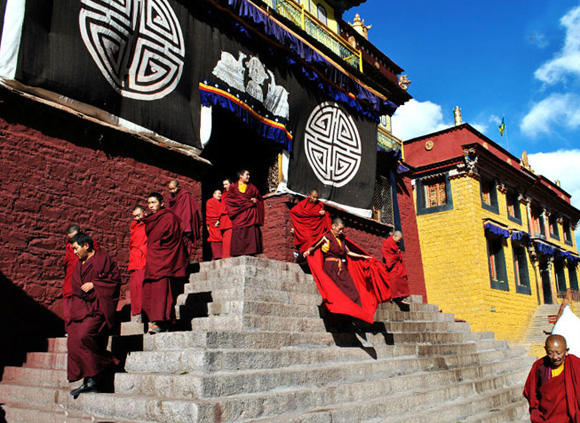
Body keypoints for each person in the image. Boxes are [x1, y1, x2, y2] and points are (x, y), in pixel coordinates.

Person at [67, 233, 120, 398]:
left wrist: (95, 284)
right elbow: (75, 285)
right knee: (74, 342)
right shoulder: (80, 264)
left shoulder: (103, 260)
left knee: (84, 337)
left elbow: (115, 280)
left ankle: (107, 362)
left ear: (86, 246)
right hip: (81, 308)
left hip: (98, 308)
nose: (75, 252)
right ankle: (89, 381)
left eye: (76, 248)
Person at [304, 217, 379, 323]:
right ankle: (336, 319)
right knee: (336, 293)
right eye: (339, 229)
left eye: (342, 229)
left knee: (352, 292)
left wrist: (363, 256)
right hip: (330, 268)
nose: (341, 232)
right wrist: (308, 251)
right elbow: (314, 247)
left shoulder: (341, 239)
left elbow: (348, 252)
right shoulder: (327, 237)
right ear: (333, 226)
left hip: (341, 268)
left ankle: (352, 315)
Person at [142, 192, 188, 334]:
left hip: (163, 259)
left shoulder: (168, 217)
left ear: (162, 203)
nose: (151, 206)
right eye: (149, 203)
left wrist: (160, 248)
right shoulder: (151, 219)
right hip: (153, 259)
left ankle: (160, 321)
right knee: (151, 290)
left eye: (154, 203)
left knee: (162, 291)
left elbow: (173, 238)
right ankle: (156, 320)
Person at [523, 334, 580, 422]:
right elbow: (530, 390)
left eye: (559, 353)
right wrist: (536, 411)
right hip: (546, 417)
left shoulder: (575, 365)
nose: (555, 357)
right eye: (550, 353)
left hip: (569, 419)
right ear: (545, 350)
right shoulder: (540, 366)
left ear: (566, 351)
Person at [63, 225, 100, 324]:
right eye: (71, 238)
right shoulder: (69, 246)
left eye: (75, 236)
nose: (73, 240)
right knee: (69, 302)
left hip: (85, 279)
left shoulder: (90, 244)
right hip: (71, 280)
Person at [224, 169, 264, 256]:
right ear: (241, 176)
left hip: (250, 214)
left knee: (251, 232)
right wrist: (244, 203)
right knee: (239, 232)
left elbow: (260, 198)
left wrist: (256, 200)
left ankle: (251, 251)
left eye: (249, 175)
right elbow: (230, 201)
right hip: (239, 215)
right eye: (247, 175)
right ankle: (239, 252)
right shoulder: (233, 187)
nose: (248, 177)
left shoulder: (252, 188)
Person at [289, 189, 331, 255]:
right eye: (313, 197)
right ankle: (304, 255)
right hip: (306, 228)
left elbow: (326, 215)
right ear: (309, 196)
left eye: (317, 197)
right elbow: (293, 211)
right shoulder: (303, 204)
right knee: (308, 240)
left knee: (316, 242)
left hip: (317, 229)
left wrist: (324, 213)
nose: (315, 199)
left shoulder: (320, 205)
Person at [167, 179, 201, 260]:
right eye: (170, 189)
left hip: (184, 227)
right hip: (175, 228)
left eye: (173, 189)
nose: (171, 191)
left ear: (178, 187)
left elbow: (187, 212)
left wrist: (186, 226)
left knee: (184, 249)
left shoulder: (185, 196)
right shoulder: (172, 199)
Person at [128, 205, 147, 321]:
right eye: (134, 216)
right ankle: (136, 312)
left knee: (141, 287)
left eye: (139, 215)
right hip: (134, 261)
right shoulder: (134, 226)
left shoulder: (148, 224)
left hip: (142, 259)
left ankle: (143, 312)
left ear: (144, 213)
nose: (137, 218)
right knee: (134, 288)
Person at [381, 231, 410, 304]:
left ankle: (403, 296)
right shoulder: (388, 242)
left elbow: (396, 252)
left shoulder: (395, 243)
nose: (399, 241)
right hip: (392, 264)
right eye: (399, 239)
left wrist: (398, 252)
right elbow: (385, 252)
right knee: (395, 278)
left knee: (403, 275)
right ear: (395, 236)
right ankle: (396, 296)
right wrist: (396, 256)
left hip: (396, 264)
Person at [206, 190, 223, 260]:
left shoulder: (221, 203)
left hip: (220, 223)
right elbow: (210, 213)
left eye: (221, 194)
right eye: (218, 193)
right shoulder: (210, 201)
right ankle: (216, 256)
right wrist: (216, 220)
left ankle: (218, 256)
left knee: (221, 239)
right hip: (213, 224)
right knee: (214, 239)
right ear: (214, 194)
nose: (220, 195)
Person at [220, 179, 233, 258]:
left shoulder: (234, 192)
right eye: (224, 185)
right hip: (224, 218)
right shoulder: (224, 194)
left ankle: (229, 255)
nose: (225, 186)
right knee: (225, 237)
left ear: (231, 184)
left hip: (230, 217)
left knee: (230, 236)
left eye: (226, 184)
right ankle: (225, 255)